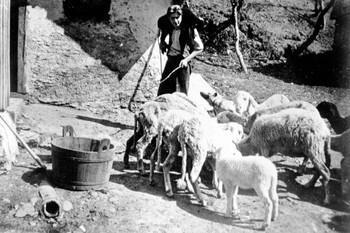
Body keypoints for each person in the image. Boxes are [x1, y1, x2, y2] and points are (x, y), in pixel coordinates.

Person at [157, 5, 204, 96]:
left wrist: (186, 60)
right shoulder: (169, 28)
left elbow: (200, 48)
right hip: (170, 62)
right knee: (163, 92)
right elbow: (166, 40)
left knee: (179, 95)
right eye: (172, 18)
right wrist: (162, 45)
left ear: (181, 16)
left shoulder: (190, 29)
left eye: (177, 18)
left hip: (182, 65)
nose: (175, 21)